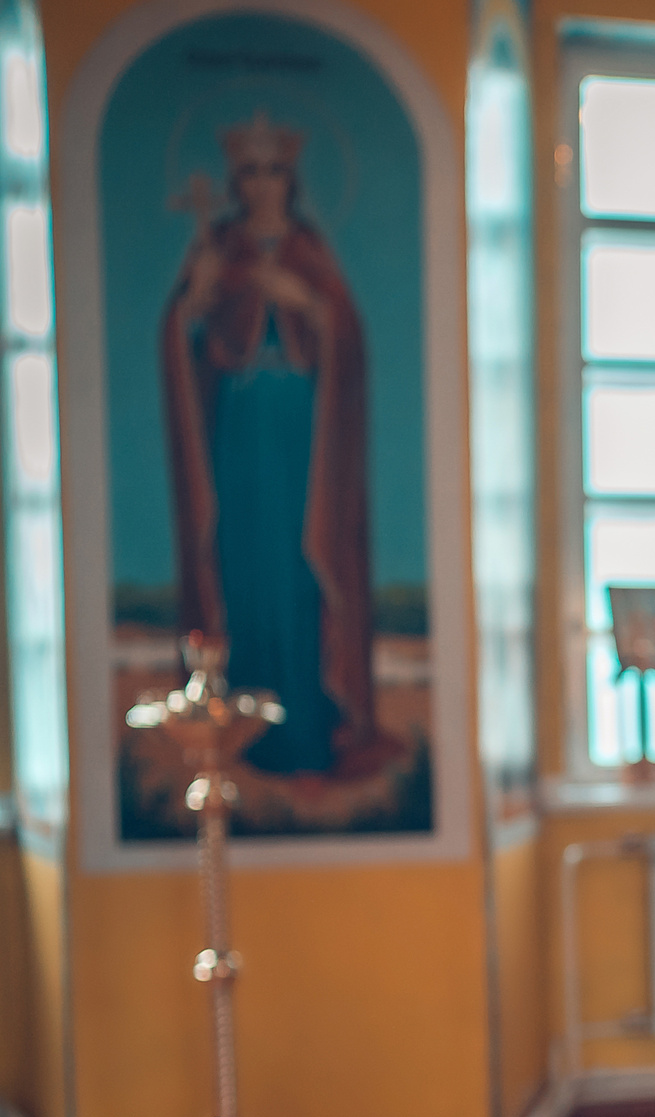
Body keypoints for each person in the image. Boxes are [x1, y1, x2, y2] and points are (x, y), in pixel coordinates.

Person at [161, 109, 385, 779]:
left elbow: (344, 342)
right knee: (244, 567)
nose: (262, 184)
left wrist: (307, 305)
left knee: (300, 568)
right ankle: (238, 737)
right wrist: (194, 303)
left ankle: (309, 733)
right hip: (238, 435)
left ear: (291, 181)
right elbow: (182, 334)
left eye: (274, 171)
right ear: (237, 181)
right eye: (250, 172)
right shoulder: (219, 247)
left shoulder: (309, 253)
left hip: (301, 446)